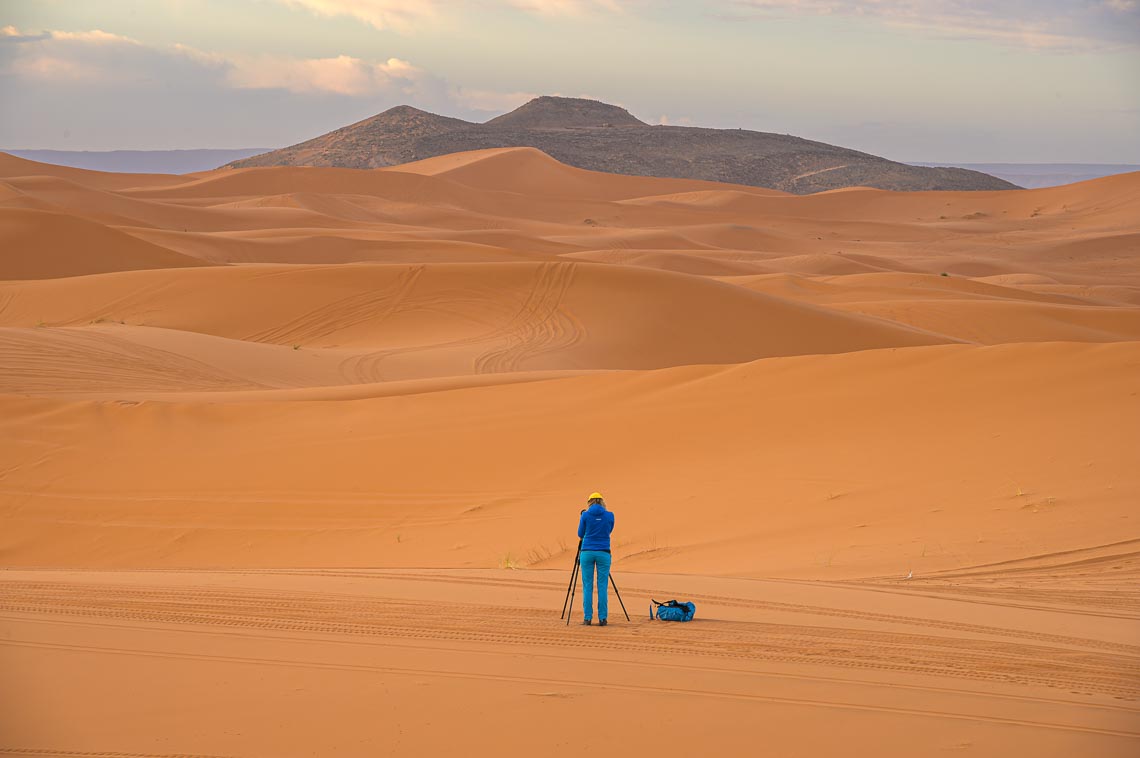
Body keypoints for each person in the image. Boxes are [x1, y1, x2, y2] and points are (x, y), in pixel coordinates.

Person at [577, 492, 615, 626]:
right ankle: (602, 618)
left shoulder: (585, 515)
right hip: (604, 552)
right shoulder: (610, 515)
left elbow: (580, 533)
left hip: (587, 552)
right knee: (602, 586)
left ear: (590, 502)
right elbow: (609, 530)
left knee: (587, 585)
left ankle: (587, 618)